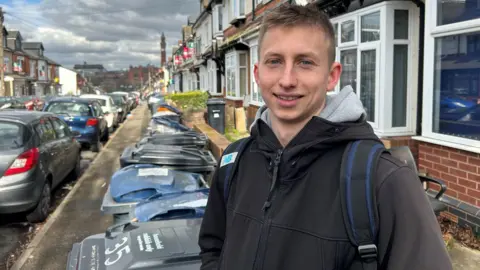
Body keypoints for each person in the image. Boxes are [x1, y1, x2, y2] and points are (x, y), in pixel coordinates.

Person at [198, 3, 452, 270]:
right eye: (275, 61)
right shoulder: (233, 162)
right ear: (257, 74)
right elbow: (213, 248)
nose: (287, 80)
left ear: (332, 76)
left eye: (305, 62)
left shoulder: (383, 180)